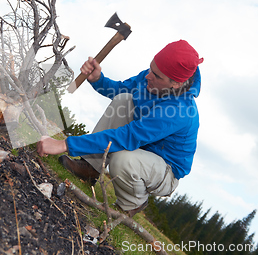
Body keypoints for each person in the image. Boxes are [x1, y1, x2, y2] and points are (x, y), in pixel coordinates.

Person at [37, 39, 203, 217]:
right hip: (140, 148)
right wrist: (98, 80)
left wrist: (65, 144)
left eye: (156, 75)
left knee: (122, 159)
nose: (148, 76)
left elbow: (127, 137)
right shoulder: (152, 77)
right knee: (124, 100)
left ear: (176, 84)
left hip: (164, 171)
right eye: (151, 69)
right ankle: (90, 167)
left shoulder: (179, 111)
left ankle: (131, 204)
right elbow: (121, 91)